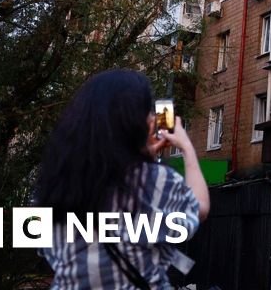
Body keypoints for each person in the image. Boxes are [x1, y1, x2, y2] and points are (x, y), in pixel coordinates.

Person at [35, 69, 210, 289]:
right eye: (148, 111)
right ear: (134, 122)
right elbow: (200, 208)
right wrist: (186, 147)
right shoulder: (156, 181)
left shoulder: (54, 183)